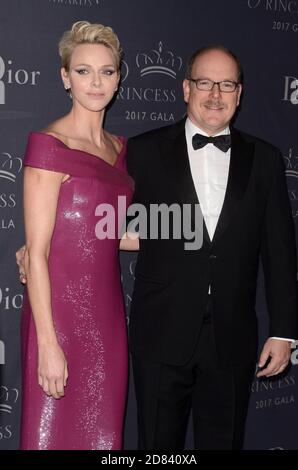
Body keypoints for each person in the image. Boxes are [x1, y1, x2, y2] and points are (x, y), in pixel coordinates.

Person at [126, 45, 298, 450]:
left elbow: (280, 252)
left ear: (240, 94)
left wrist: (284, 332)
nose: (215, 95)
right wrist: (45, 246)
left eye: (226, 84)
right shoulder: (141, 151)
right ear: (186, 89)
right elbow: (101, 219)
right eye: (205, 82)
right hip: (160, 333)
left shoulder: (266, 160)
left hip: (233, 338)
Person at [18, 20, 135, 450]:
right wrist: (48, 343)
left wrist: (203, 227)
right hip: (58, 316)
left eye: (106, 71)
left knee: (104, 438)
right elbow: (38, 251)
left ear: (119, 78)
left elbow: (110, 231)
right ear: (65, 77)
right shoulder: (48, 145)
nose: (96, 82)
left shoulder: (119, 150)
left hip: (107, 318)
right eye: (83, 71)